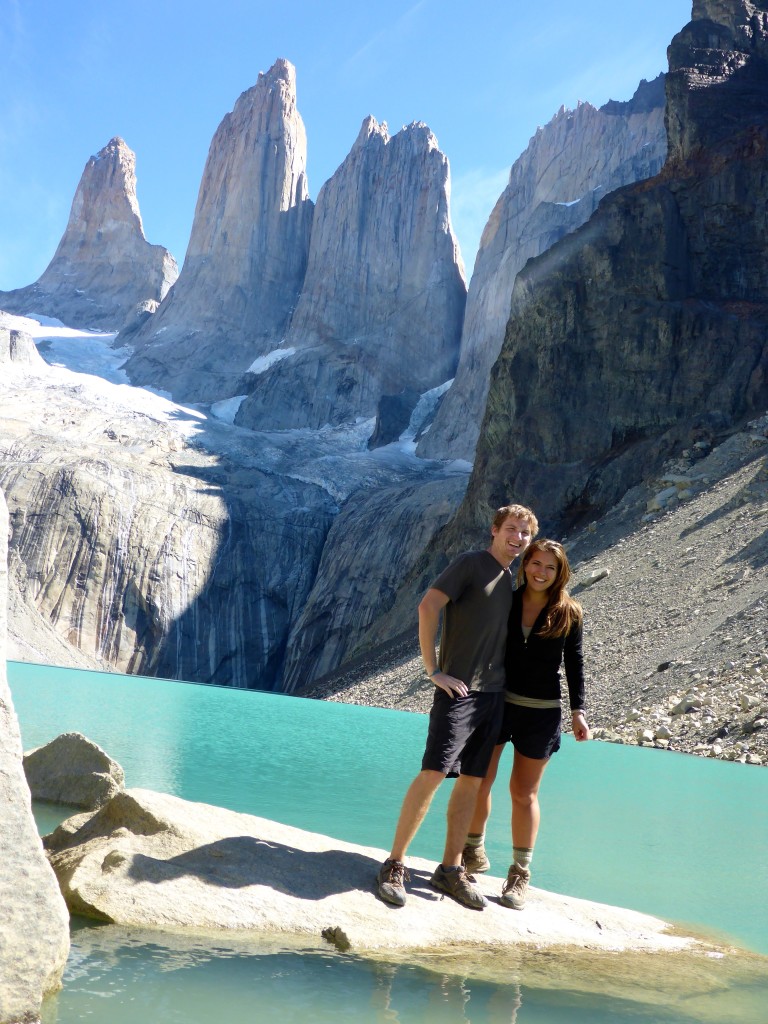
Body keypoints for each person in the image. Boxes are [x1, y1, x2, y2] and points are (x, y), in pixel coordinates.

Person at [375, 503, 539, 910]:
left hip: (493, 696)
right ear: (495, 529)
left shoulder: (510, 579)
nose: (518, 538)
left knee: (472, 780)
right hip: (459, 692)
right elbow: (428, 606)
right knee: (433, 772)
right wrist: (434, 670)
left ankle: (449, 870)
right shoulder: (471, 564)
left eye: (525, 533)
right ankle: (394, 862)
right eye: (512, 529)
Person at [462, 538, 589, 910]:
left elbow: (575, 664)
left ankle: (519, 873)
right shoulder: (507, 599)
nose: (541, 572)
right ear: (526, 564)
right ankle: (473, 850)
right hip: (498, 703)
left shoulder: (570, 612)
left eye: (550, 567)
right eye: (536, 563)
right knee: (480, 779)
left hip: (541, 712)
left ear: (560, 572)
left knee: (523, 793)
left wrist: (578, 711)